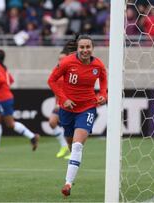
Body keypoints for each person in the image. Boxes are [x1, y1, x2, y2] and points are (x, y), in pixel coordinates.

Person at [48, 35, 107, 197]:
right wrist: (64, 99)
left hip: (87, 108)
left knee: (77, 146)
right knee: (71, 144)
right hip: (67, 109)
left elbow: (103, 80)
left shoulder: (98, 65)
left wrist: (103, 95)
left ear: (92, 48)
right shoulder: (67, 62)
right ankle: (73, 165)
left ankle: (67, 184)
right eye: (82, 47)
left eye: (88, 47)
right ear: (78, 48)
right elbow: (51, 80)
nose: (85, 50)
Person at [0, 49, 39, 154]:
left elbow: (2, 80)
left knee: (10, 124)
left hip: (4, 98)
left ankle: (32, 136)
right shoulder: (1, 67)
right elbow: (10, 80)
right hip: (2, 98)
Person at [49, 39, 78, 159]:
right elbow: (54, 85)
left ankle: (73, 151)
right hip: (60, 103)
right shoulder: (57, 70)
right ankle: (63, 146)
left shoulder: (71, 71)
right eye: (59, 59)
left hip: (70, 103)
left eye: (62, 59)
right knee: (52, 122)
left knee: (71, 130)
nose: (60, 61)